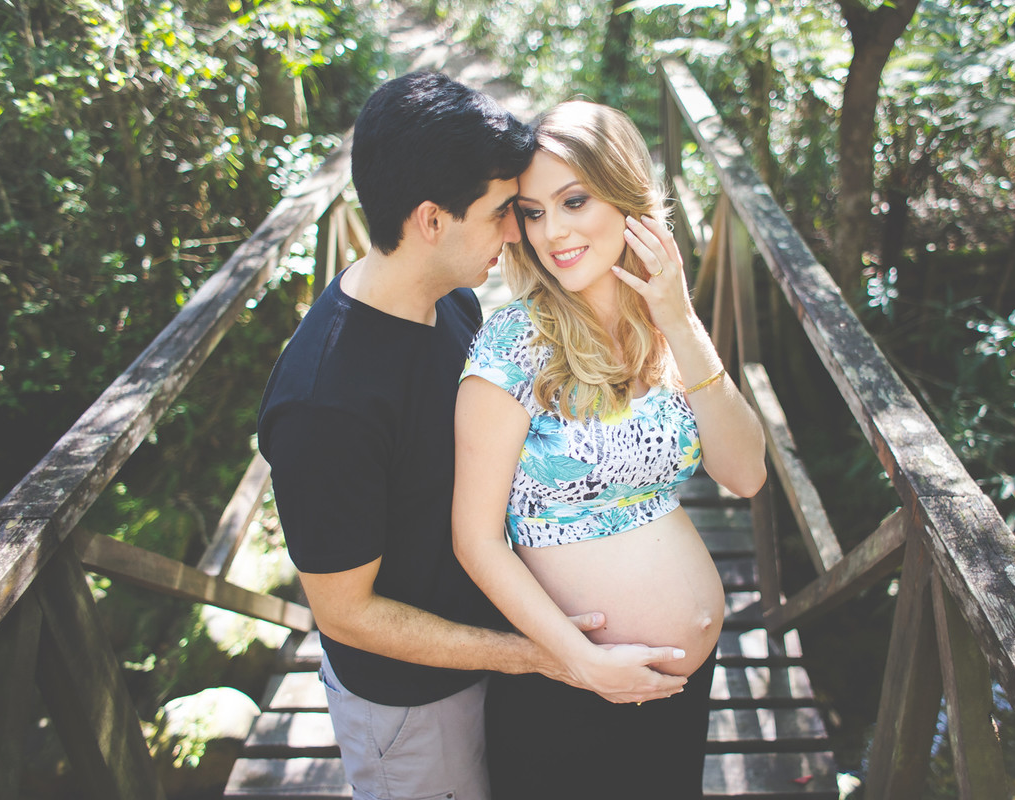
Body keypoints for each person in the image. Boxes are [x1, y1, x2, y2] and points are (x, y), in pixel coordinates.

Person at [257, 74, 687, 800]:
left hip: (503, 661)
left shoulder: (451, 300)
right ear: (431, 220)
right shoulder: (322, 403)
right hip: (415, 709)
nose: (519, 233)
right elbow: (345, 613)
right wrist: (536, 656)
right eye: (501, 214)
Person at [452, 100, 768, 800]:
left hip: (681, 687)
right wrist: (579, 663)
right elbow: (475, 541)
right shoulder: (511, 345)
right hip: (568, 689)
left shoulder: (665, 331)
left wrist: (680, 319)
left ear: (627, 197)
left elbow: (745, 476)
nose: (552, 232)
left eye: (573, 201)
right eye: (532, 212)